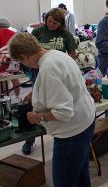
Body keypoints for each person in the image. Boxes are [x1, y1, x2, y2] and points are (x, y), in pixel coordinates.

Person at [8, 33, 95, 187]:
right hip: (85, 121)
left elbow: (64, 113)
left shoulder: (48, 68)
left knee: (64, 182)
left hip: (71, 132)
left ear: (24, 57)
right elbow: (63, 85)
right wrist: (36, 91)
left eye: (22, 62)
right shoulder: (57, 55)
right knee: (81, 176)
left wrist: (38, 117)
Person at [22, 8, 78, 155]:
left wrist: (64, 65)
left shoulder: (65, 34)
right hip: (38, 73)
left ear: (61, 24)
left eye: (55, 23)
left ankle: (60, 133)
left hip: (59, 74)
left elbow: (72, 54)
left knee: (59, 104)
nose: (51, 24)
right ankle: (30, 139)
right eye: (49, 21)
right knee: (36, 105)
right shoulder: (38, 32)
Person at [0, 17, 21, 98]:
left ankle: (5, 99)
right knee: (15, 78)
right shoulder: (14, 33)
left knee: (2, 79)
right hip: (13, 59)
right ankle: (17, 97)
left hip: (1, 61)